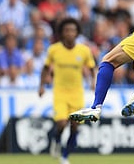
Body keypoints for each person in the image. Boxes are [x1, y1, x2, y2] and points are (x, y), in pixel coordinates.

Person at [38, 17, 96, 164]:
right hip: (60, 93)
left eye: (73, 30)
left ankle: (65, 156)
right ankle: (56, 140)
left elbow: (91, 68)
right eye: (67, 30)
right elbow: (45, 68)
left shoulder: (83, 50)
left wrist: (93, 82)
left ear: (77, 33)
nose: (70, 33)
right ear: (62, 33)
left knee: (75, 126)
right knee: (62, 123)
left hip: (77, 93)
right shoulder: (54, 50)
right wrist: (42, 86)